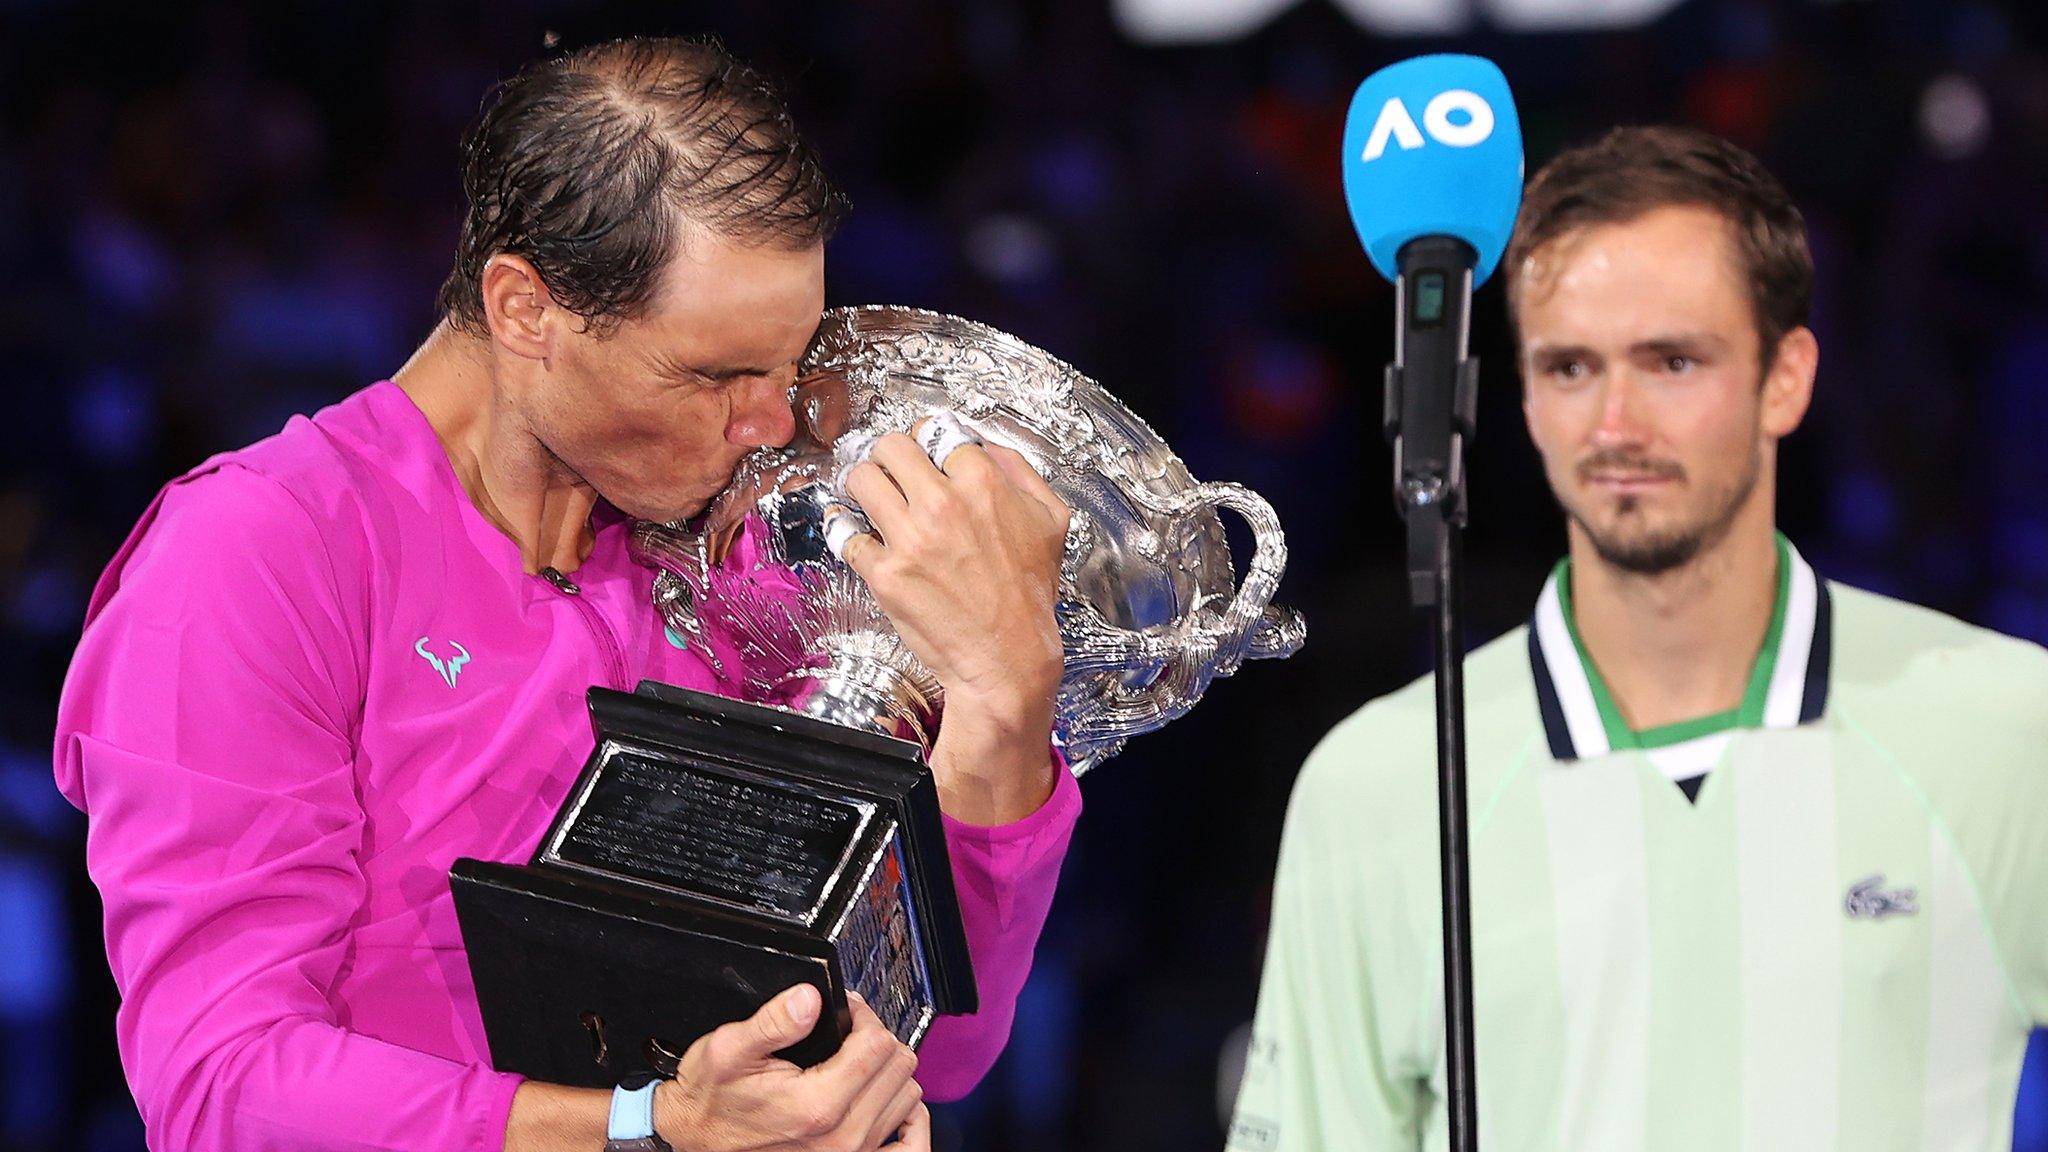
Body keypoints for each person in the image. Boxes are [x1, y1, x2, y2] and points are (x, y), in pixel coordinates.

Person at [54, 37, 1082, 1152]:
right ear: (523, 310)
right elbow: (222, 1085)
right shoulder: (255, 556)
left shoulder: (740, 564)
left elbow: (930, 1044)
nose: (772, 425)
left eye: (784, 370)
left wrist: (1003, 702)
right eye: (715, 376)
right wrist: (642, 1131)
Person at [1228, 125, 2048, 1151]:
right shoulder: (1378, 784)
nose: (1614, 424)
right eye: (1569, 367)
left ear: (1783, 377)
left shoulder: (2006, 730)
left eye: (1670, 360)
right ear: (1521, 395)